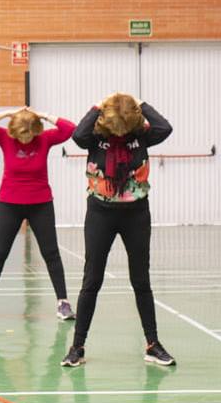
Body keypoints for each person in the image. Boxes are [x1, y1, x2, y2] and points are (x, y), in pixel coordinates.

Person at [62, 93, 174, 368]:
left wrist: (142, 104)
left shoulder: (143, 135)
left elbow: (165, 128)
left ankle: (152, 344)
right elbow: (77, 134)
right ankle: (77, 347)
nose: (121, 131)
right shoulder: (94, 138)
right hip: (100, 214)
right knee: (92, 280)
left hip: (136, 215)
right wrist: (98, 105)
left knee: (141, 280)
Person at [0, 107, 76, 322]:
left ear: (36, 130)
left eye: (29, 134)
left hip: (41, 204)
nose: (25, 139)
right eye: (21, 135)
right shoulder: (4, 138)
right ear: (14, 131)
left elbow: (70, 129)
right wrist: (8, 113)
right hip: (9, 203)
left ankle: (63, 303)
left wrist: (44, 115)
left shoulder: (45, 139)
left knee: (51, 253)